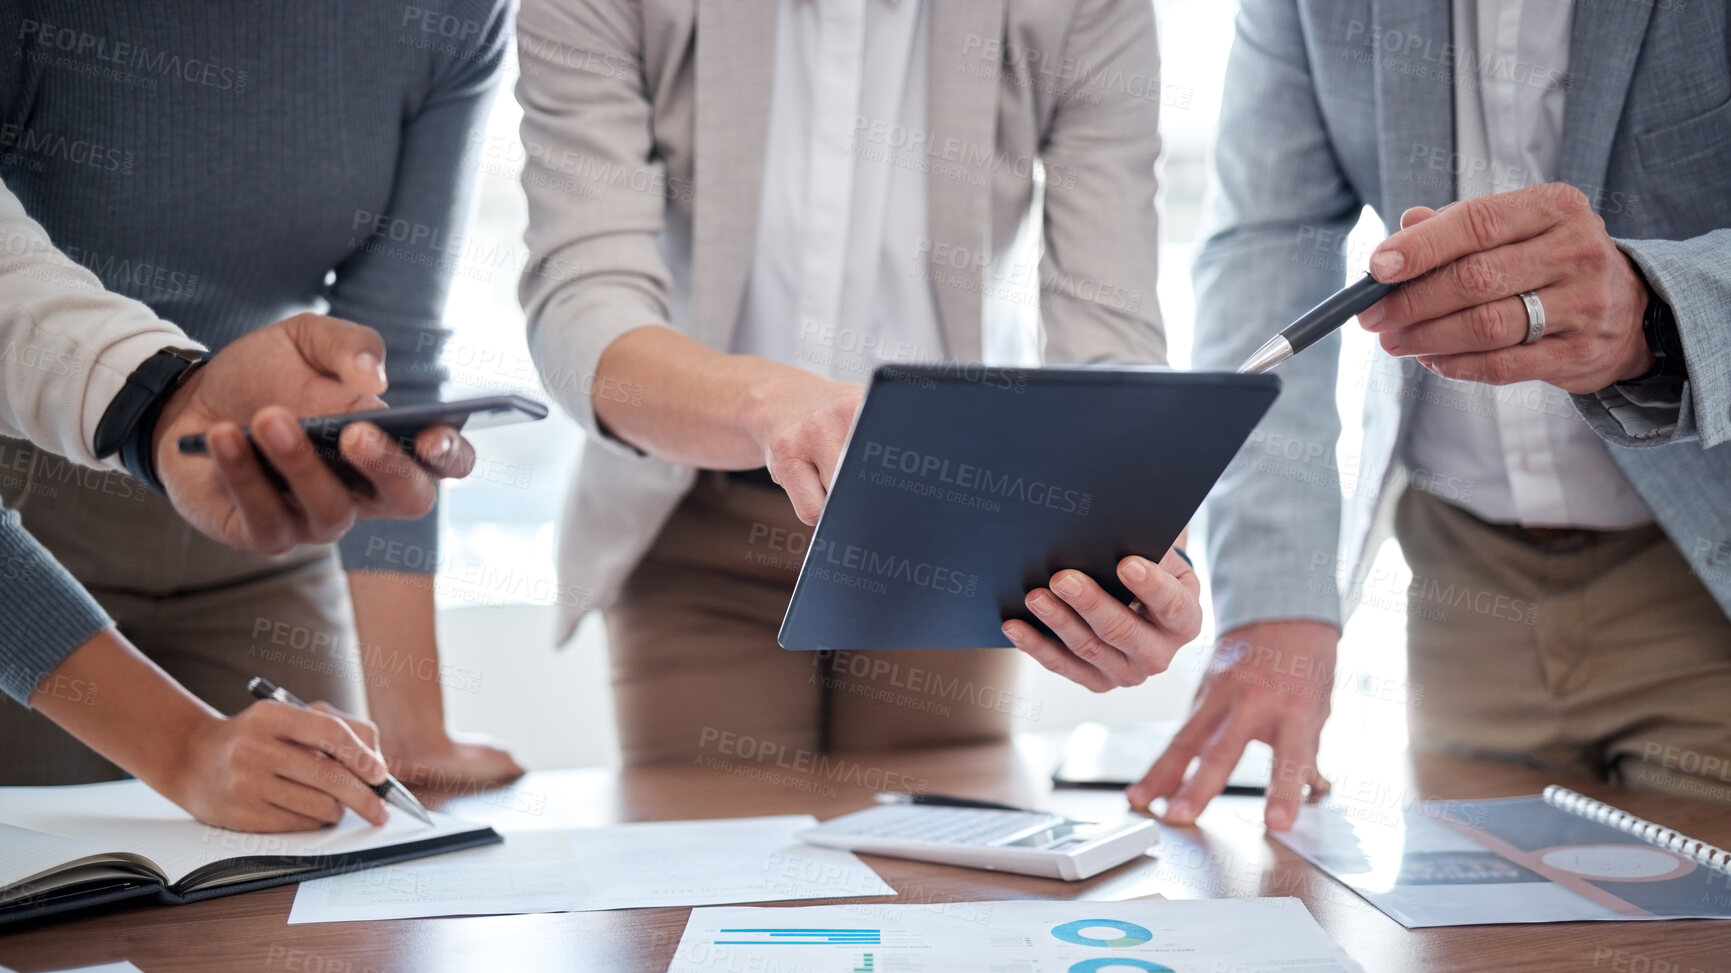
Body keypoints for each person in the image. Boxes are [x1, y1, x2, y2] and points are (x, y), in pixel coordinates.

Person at [1034, 1, 1731, 826]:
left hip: (1701, 570)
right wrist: (1274, 598)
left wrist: (1652, 312)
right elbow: (1266, 241)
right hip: (1465, 584)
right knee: (1478, 942)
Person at [517, 0, 1201, 766]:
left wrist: (1138, 532)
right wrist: (762, 404)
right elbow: (580, 304)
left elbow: (1106, 329)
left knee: (938, 860)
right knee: (708, 853)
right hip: (695, 516)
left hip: (955, 520)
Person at [0, 1, 523, 789]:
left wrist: (412, 730)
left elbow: (391, 361)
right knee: (58, 887)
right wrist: (162, 397)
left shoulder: (454, 16)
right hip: (31, 519)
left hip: (267, 509)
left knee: (316, 847)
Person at [0, 183, 472, 829]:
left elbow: (400, 336)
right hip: (36, 523)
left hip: (265, 510)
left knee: (313, 824)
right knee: (50, 870)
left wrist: (167, 399)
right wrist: (185, 748)